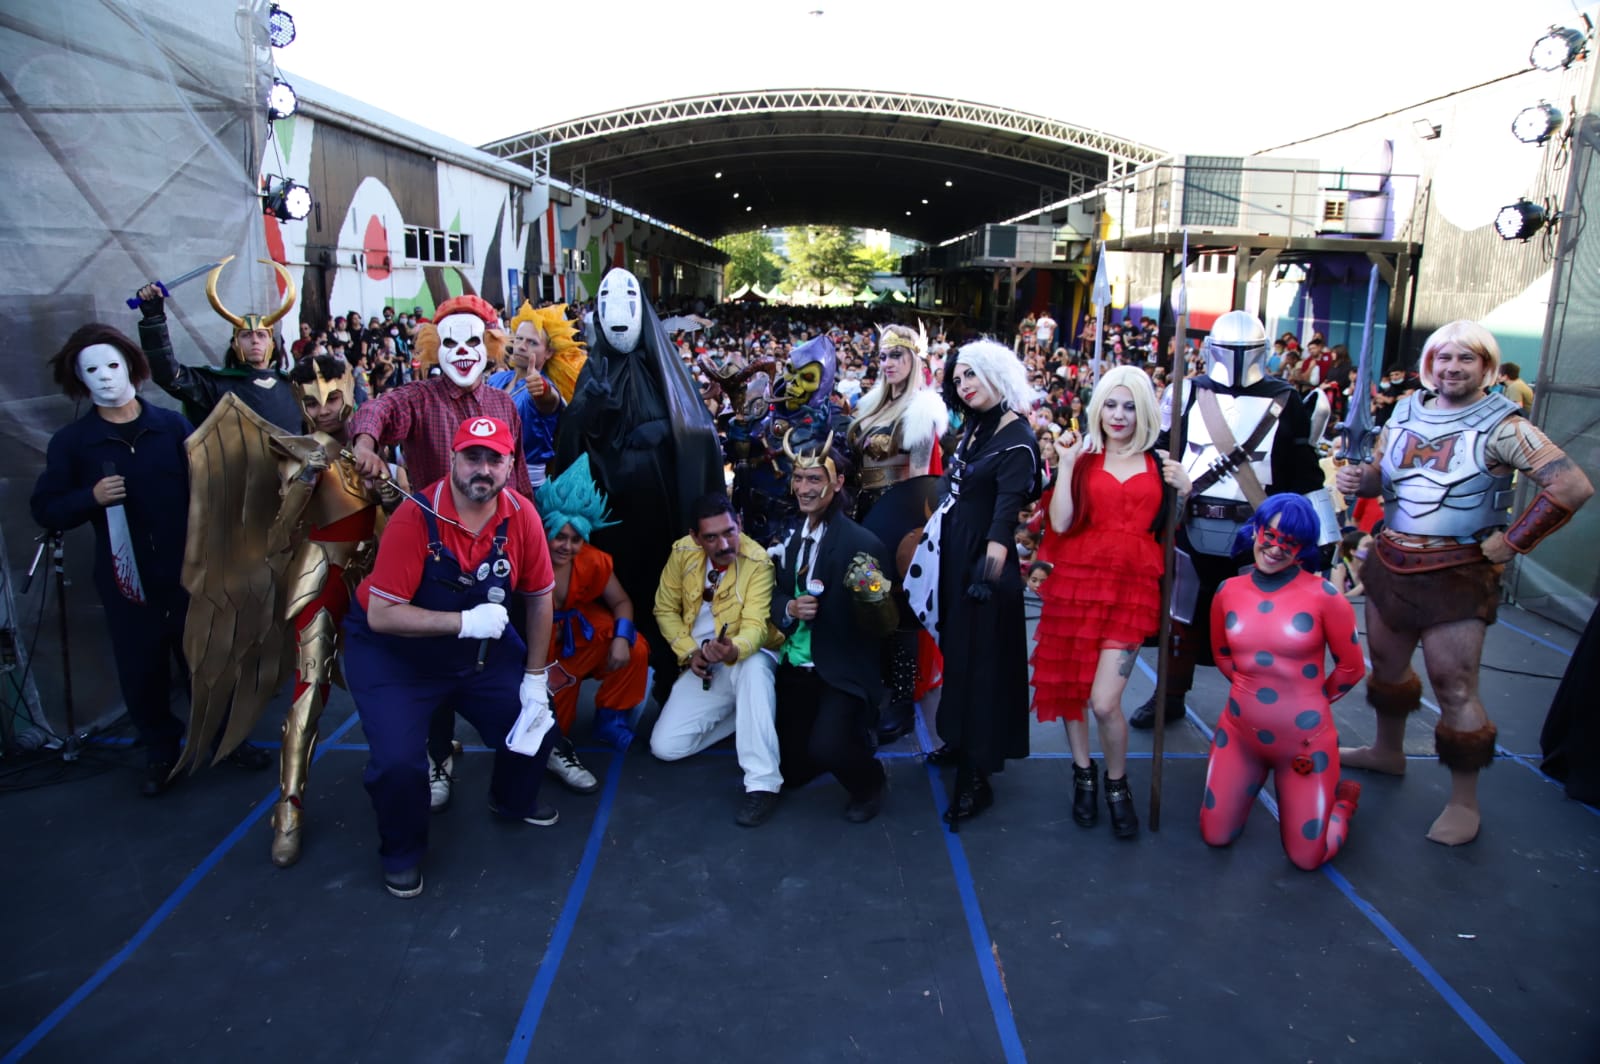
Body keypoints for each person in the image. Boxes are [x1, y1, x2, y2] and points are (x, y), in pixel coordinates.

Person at [1335, 320, 1593, 845]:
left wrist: (1514, 540)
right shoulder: (1405, 411)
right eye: (1445, 357)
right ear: (1431, 363)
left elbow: (1570, 485)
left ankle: (1463, 801)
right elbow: (1389, 477)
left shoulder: (1506, 425)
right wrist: (1360, 480)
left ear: (1486, 367)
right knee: (1386, 667)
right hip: (1391, 561)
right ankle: (1388, 752)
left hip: (1457, 572)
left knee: (1454, 686)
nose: (1453, 367)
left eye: (1466, 359)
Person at [341, 416, 559, 898]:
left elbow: (541, 595)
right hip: (395, 657)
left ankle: (510, 799)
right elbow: (382, 613)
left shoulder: (522, 515)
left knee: (536, 722)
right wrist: (463, 623)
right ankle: (401, 851)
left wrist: (535, 676)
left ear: (509, 466)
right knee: (399, 765)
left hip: (476, 653)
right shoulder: (413, 517)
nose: (482, 469)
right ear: (453, 459)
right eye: (472, 457)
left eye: (494, 459)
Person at [345, 294, 543, 807]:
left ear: (491, 346)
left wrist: (530, 527)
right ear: (434, 347)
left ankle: (531, 742)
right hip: (431, 552)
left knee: (505, 649)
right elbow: (377, 407)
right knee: (430, 658)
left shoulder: (503, 402)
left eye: (473, 341)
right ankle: (435, 756)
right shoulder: (415, 397)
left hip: (493, 542)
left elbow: (515, 473)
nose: (461, 352)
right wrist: (365, 441)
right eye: (450, 342)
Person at [1134, 310, 1332, 729]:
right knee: (1179, 617)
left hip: (1259, 531)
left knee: (1260, 622)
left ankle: (1256, 705)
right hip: (1191, 522)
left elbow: (1304, 472)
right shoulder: (1185, 393)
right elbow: (1159, 452)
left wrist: (1325, 539)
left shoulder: (1286, 399)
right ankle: (1169, 695)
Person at [31, 325, 201, 795]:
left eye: (112, 365)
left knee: (204, 663)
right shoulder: (72, 444)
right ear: (79, 381)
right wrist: (90, 496)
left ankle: (223, 741)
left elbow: (207, 489)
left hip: (187, 572)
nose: (104, 377)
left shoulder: (171, 426)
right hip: (127, 581)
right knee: (143, 671)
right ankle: (162, 752)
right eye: (91, 370)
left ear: (130, 366)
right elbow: (46, 509)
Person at [1031, 367, 1189, 838]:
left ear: (1144, 412)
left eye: (1129, 406)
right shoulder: (1081, 459)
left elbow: (1172, 530)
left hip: (1131, 591)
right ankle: (1084, 774)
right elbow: (1058, 524)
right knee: (1072, 693)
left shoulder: (1161, 464)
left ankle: (1117, 783)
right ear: (1097, 407)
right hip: (1076, 584)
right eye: (1111, 404)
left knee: (1104, 702)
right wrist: (1062, 467)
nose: (1118, 415)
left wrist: (1187, 489)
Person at [906, 339, 1042, 830]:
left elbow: (1004, 522)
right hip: (955, 557)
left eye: (972, 376)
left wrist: (985, 579)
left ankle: (976, 777)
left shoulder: (1018, 439)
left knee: (983, 670)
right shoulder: (978, 426)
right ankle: (960, 740)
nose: (963, 386)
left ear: (997, 376)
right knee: (960, 660)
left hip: (985, 566)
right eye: (958, 378)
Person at [1201, 495, 1366, 869]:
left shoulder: (1326, 598)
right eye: (1270, 535)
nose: (1276, 548)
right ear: (1256, 530)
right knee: (1215, 834)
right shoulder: (1228, 591)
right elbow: (1222, 654)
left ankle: (1342, 805)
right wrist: (1254, 692)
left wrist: (1308, 703)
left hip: (1305, 744)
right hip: (1240, 736)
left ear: (1303, 547)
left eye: (1289, 542)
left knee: (1308, 857)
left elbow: (1352, 668)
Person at [769, 439, 898, 822]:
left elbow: (887, 625)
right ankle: (835, 742)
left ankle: (870, 779)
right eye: (798, 478)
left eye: (814, 478)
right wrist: (788, 607)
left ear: (838, 482)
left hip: (842, 671)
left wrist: (872, 596)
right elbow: (774, 596)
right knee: (790, 772)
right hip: (797, 668)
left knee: (829, 748)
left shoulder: (863, 543)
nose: (805, 488)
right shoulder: (790, 538)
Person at [649, 493, 784, 827]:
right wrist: (690, 653)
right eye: (711, 537)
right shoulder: (682, 552)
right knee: (665, 747)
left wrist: (734, 650)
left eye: (730, 531)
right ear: (696, 537)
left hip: (748, 655)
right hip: (705, 663)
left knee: (752, 669)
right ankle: (751, 715)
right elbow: (664, 609)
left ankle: (763, 783)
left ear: (738, 522)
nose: (724, 544)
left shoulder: (758, 562)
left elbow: (755, 627)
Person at [846, 322, 948, 744]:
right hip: (862, 517)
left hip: (899, 520)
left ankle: (903, 700)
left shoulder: (921, 409)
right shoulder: (872, 406)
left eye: (897, 355)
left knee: (901, 610)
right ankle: (878, 686)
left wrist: (914, 535)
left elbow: (922, 478)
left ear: (914, 360)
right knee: (870, 603)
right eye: (884, 355)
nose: (888, 363)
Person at [535, 455, 650, 779]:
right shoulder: (527, 560)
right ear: (547, 528)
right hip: (541, 648)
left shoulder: (594, 561)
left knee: (636, 647)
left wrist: (620, 640)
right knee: (552, 729)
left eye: (576, 539)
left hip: (581, 634)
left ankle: (611, 719)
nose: (567, 546)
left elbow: (622, 602)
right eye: (560, 535)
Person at [135, 257, 303, 432]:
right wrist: (154, 319)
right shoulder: (214, 384)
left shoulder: (294, 386)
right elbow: (167, 374)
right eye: (246, 335)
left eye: (261, 335)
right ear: (234, 344)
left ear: (272, 344)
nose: (255, 340)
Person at [488, 301, 588, 489]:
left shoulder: (543, 387)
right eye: (519, 339)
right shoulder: (497, 380)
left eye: (532, 342)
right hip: (490, 481)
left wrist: (541, 389)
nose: (521, 346)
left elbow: (548, 400)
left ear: (549, 352)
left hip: (528, 488)